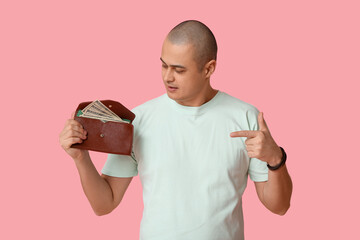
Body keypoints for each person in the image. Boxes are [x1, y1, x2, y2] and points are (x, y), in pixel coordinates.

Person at [59, 20, 293, 240]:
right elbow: (104, 204)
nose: (167, 76)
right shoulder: (138, 119)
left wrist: (276, 158)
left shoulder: (246, 117)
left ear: (209, 68)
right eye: (163, 65)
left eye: (179, 70)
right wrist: (81, 158)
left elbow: (279, 206)